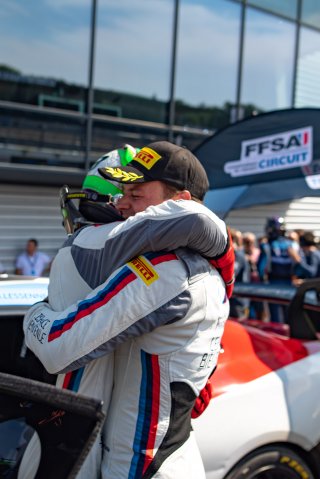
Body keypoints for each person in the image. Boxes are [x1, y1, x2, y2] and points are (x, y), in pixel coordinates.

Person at [24, 141, 234, 478]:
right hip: (169, 459)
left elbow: (56, 347)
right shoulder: (199, 267)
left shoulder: (169, 272)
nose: (120, 204)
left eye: (136, 195)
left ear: (177, 205)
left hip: (142, 468)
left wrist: (34, 314)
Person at [257, 217, 299, 322]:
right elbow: (299, 266)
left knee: (276, 318)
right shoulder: (292, 244)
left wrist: (262, 281)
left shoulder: (266, 245)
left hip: (273, 284)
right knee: (288, 316)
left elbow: (261, 269)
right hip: (289, 284)